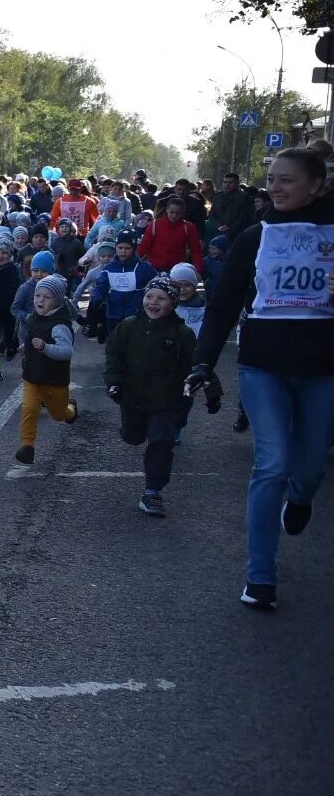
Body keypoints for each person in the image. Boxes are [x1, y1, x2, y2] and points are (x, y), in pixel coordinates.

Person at [186, 147, 333, 610]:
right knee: (271, 464)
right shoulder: (254, 237)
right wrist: (203, 361)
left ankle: (302, 496)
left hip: (322, 369)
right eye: (271, 178)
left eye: (287, 180)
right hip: (263, 365)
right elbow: (224, 303)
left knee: (308, 470)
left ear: (317, 184)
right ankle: (260, 576)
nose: (275, 187)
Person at [106, 275, 196, 518]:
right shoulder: (128, 326)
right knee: (133, 437)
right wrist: (113, 382)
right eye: (149, 296)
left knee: (161, 441)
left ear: (173, 303)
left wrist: (210, 391)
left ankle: (153, 492)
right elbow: (113, 354)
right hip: (133, 397)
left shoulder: (182, 334)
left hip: (166, 401)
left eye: (162, 298)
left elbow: (196, 365)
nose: (153, 302)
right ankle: (131, 430)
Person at [13, 274, 78, 465]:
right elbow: (33, 338)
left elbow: (66, 352)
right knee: (29, 408)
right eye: (37, 295)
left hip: (54, 379)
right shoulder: (34, 317)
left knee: (58, 415)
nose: (40, 300)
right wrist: (26, 347)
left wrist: (45, 347)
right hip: (32, 376)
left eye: (46, 297)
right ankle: (27, 447)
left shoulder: (60, 325)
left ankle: (71, 410)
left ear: (57, 301)